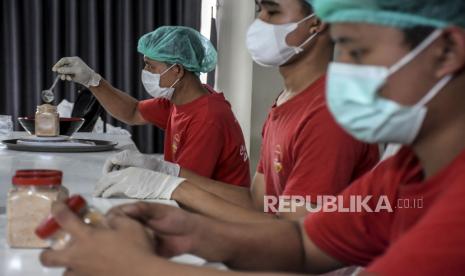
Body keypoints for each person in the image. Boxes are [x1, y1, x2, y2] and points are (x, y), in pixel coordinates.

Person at [40, 0, 465, 275]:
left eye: (356, 52)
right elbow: (302, 241)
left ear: (446, 52)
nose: (343, 76)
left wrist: (135, 265)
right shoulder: (405, 172)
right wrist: (188, 232)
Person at [95, 0, 379, 221]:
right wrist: (164, 170)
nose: (259, 23)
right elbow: (258, 202)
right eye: (259, 10)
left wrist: (169, 187)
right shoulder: (285, 103)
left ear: (316, 22)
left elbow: (297, 242)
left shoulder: (328, 113)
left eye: (272, 11)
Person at [53, 26, 251, 190]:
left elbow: (186, 188)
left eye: (150, 66)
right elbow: (133, 111)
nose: (145, 72)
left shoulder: (207, 118)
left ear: (177, 70)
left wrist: (144, 176)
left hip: (216, 218)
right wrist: (92, 80)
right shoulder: (181, 98)